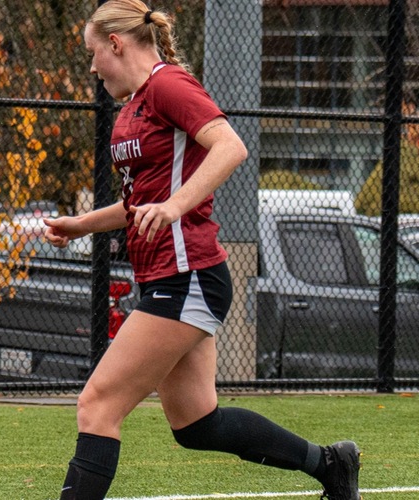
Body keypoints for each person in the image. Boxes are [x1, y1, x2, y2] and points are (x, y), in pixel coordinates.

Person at [42, 2, 361, 499]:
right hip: (173, 278)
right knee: (197, 425)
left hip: (187, 275)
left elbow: (230, 146)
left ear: (116, 43)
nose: (91, 67)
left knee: (98, 404)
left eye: (92, 53)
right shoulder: (134, 105)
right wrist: (83, 224)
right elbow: (140, 205)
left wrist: (174, 205)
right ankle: (331, 464)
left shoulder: (168, 85)